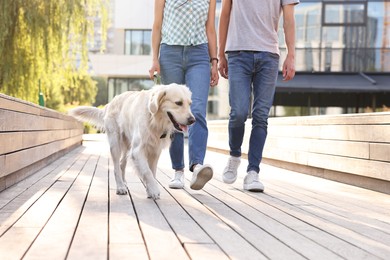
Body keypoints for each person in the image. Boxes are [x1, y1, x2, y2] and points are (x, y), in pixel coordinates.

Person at [218, 0, 299, 191]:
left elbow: (289, 19)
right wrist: (220, 54)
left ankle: (253, 172)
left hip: (269, 54)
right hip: (238, 52)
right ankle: (235, 155)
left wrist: (291, 55)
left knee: (261, 116)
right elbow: (225, 14)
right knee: (238, 112)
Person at [149, 0, 219, 190]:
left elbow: (210, 28)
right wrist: (154, 59)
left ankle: (197, 166)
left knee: (196, 109)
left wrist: (214, 61)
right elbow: (157, 25)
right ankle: (178, 170)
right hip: (170, 53)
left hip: (200, 54)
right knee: (174, 113)